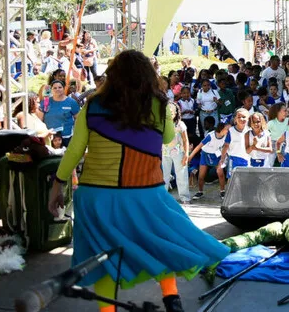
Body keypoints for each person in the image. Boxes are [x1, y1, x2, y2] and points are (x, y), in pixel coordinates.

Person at [48, 50, 228, 312]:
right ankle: (171, 298)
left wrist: (57, 183)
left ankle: (108, 310)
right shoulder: (157, 106)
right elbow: (167, 138)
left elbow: (75, 151)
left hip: (98, 197)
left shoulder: (93, 107)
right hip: (146, 194)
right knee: (160, 241)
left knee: (102, 258)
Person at [188, 119, 230, 200]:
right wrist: (190, 157)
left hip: (217, 155)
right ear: (222, 129)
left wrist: (223, 158)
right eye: (227, 129)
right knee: (201, 176)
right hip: (205, 154)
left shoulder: (227, 136)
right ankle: (200, 191)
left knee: (220, 173)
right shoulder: (210, 135)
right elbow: (199, 146)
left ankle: (222, 191)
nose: (229, 131)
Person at [163, 102, 190, 204]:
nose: (170, 113)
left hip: (178, 152)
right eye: (167, 111)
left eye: (172, 111)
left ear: (176, 112)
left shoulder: (180, 125)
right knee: (164, 176)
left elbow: (185, 140)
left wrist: (186, 154)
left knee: (181, 175)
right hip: (164, 152)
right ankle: (163, 197)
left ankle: (185, 197)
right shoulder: (162, 123)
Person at [41, 80, 80, 147]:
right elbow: (40, 119)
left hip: (66, 137)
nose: (57, 89)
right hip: (50, 138)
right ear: (51, 89)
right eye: (55, 88)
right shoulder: (46, 101)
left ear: (64, 88)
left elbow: (79, 119)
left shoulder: (71, 102)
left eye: (60, 87)